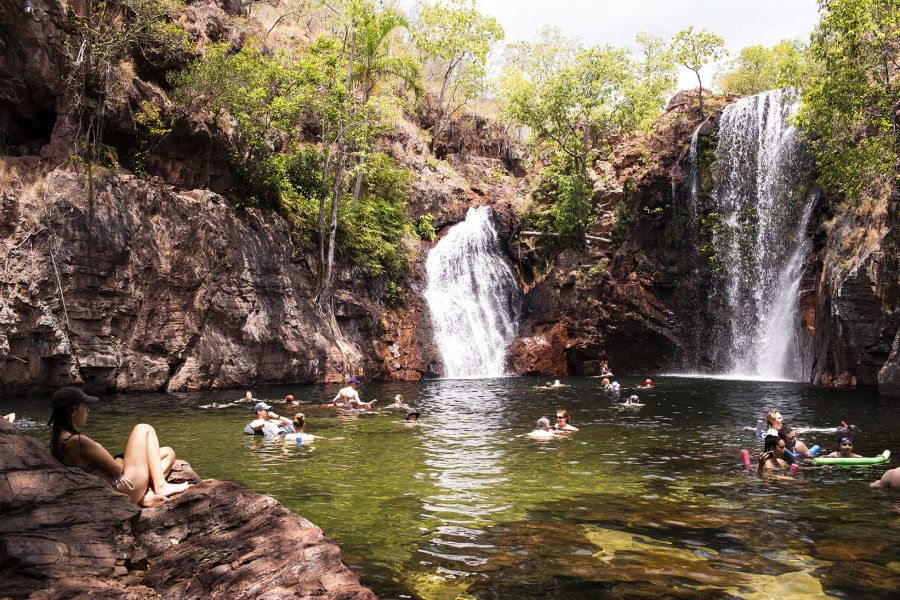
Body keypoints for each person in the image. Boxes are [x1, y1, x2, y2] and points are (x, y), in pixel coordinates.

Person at [48, 386, 188, 507]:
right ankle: (160, 486)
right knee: (144, 428)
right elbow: (117, 469)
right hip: (122, 488)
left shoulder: (57, 442)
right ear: (72, 411)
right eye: (85, 406)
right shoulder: (79, 441)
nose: (87, 411)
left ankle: (144, 495)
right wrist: (121, 458)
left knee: (167, 453)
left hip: (114, 489)